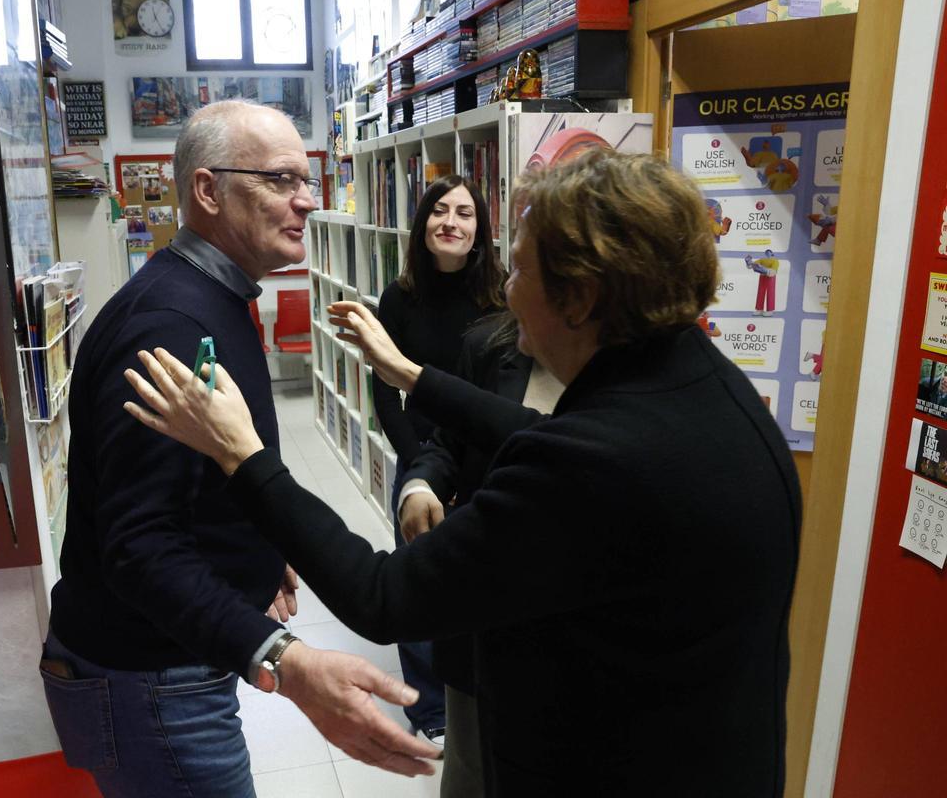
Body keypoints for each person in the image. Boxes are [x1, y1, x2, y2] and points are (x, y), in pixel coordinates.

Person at [121, 149, 802, 796]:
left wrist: (244, 456)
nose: (505, 288)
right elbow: (537, 434)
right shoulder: (706, 388)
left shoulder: (595, 463)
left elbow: (384, 596)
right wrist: (411, 376)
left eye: (520, 272)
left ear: (582, 298)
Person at [40, 99, 439, 798]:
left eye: (308, 180)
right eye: (281, 180)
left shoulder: (211, 295)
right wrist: (281, 658)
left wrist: (255, 549)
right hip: (151, 681)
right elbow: (139, 545)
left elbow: (201, 470)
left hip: (170, 667)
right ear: (207, 191)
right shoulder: (168, 324)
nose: (308, 202)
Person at [396, 311, 562, 797]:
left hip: (572, 634)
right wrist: (421, 483)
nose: (510, 286)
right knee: (471, 773)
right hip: (483, 619)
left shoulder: (630, 365)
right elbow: (448, 442)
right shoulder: (492, 344)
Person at [374, 174, 504, 748]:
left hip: (484, 458)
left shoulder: (500, 295)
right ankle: (430, 708)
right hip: (422, 461)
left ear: (480, 230)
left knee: (480, 581)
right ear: (424, 223)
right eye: (440, 211)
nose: (451, 222)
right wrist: (417, 467)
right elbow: (384, 390)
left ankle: (478, 689)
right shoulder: (400, 296)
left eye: (465, 214)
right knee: (420, 583)